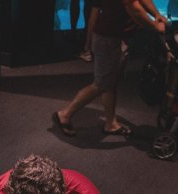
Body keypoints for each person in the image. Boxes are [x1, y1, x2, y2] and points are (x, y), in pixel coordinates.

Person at [52, 0, 167, 137]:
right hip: (109, 38)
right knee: (101, 84)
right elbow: (133, 7)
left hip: (115, 37)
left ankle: (110, 123)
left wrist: (156, 14)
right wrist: (155, 26)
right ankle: (65, 114)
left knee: (110, 82)